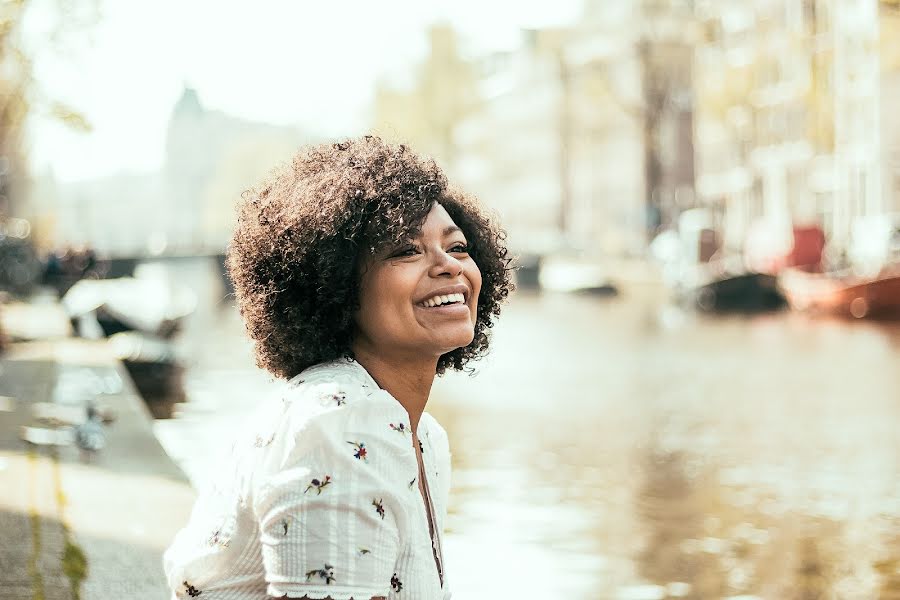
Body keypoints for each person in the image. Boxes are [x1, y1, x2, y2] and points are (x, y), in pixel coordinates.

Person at [163, 136, 513, 599]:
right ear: (337, 285)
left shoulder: (422, 435)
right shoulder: (340, 420)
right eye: (406, 250)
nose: (449, 265)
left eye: (459, 247)